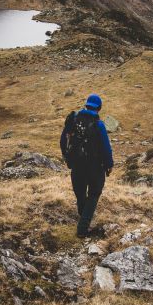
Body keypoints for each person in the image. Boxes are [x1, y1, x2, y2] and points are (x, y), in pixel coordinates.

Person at [60, 93, 114, 237]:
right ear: (99, 108)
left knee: (80, 193)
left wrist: (67, 158)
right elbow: (106, 147)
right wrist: (109, 164)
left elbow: (63, 141)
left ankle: (83, 218)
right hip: (95, 167)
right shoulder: (98, 124)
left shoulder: (74, 119)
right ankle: (82, 229)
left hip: (77, 166)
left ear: (86, 105)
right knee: (94, 194)